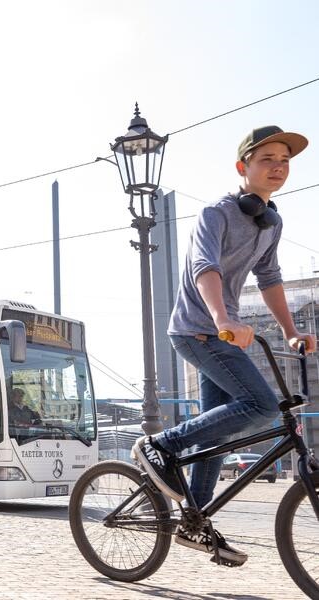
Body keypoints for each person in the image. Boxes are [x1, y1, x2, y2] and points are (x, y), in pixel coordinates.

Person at [132, 126, 317, 567]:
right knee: (263, 405)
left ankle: (193, 521)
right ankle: (159, 445)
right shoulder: (216, 214)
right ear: (243, 168)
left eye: (285, 160)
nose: (278, 166)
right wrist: (222, 317)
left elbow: (269, 279)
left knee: (220, 430)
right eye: (267, 158)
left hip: (224, 332)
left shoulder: (270, 222)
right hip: (198, 331)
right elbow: (204, 266)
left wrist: (291, 330)